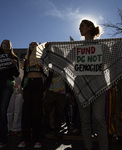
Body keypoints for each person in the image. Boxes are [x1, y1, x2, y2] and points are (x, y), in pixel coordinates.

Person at [77, 19, 108, 150]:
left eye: (82, 26)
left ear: (89, 27)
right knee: (84, 120)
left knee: (98, 118)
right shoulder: (77, 48)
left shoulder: (102, 46)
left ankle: (104, 147)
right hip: (82, 87)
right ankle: (88, 147)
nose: (80, 28)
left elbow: (108, 64)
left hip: (99, 86)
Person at [17, 42, 47, 149]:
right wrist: (22, 86)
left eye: (35, 45)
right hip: (28, 84)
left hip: (38, 84)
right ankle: (25, 139)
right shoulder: (27, 61)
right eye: (31, 45)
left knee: (37, 112)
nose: (32, 46)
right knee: (26, 113)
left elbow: (48, 74)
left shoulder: (43, 59)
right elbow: (25, 74)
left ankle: (37, 139)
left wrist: (44, 89)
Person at [42, 70, 73, 138]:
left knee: (58, 113)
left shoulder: (64, 68)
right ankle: (45, 130)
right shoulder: (51, 66)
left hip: (60, 92)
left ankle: (56, 131)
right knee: (47, 112)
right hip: (52, 91)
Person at [7, 59, 24, 135]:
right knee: (9, 110)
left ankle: (16, 128)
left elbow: (23, 81)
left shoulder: (22, 71)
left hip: (19, 92)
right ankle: (8, 128)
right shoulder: (8, 71)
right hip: (11, 92)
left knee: (18, 110)